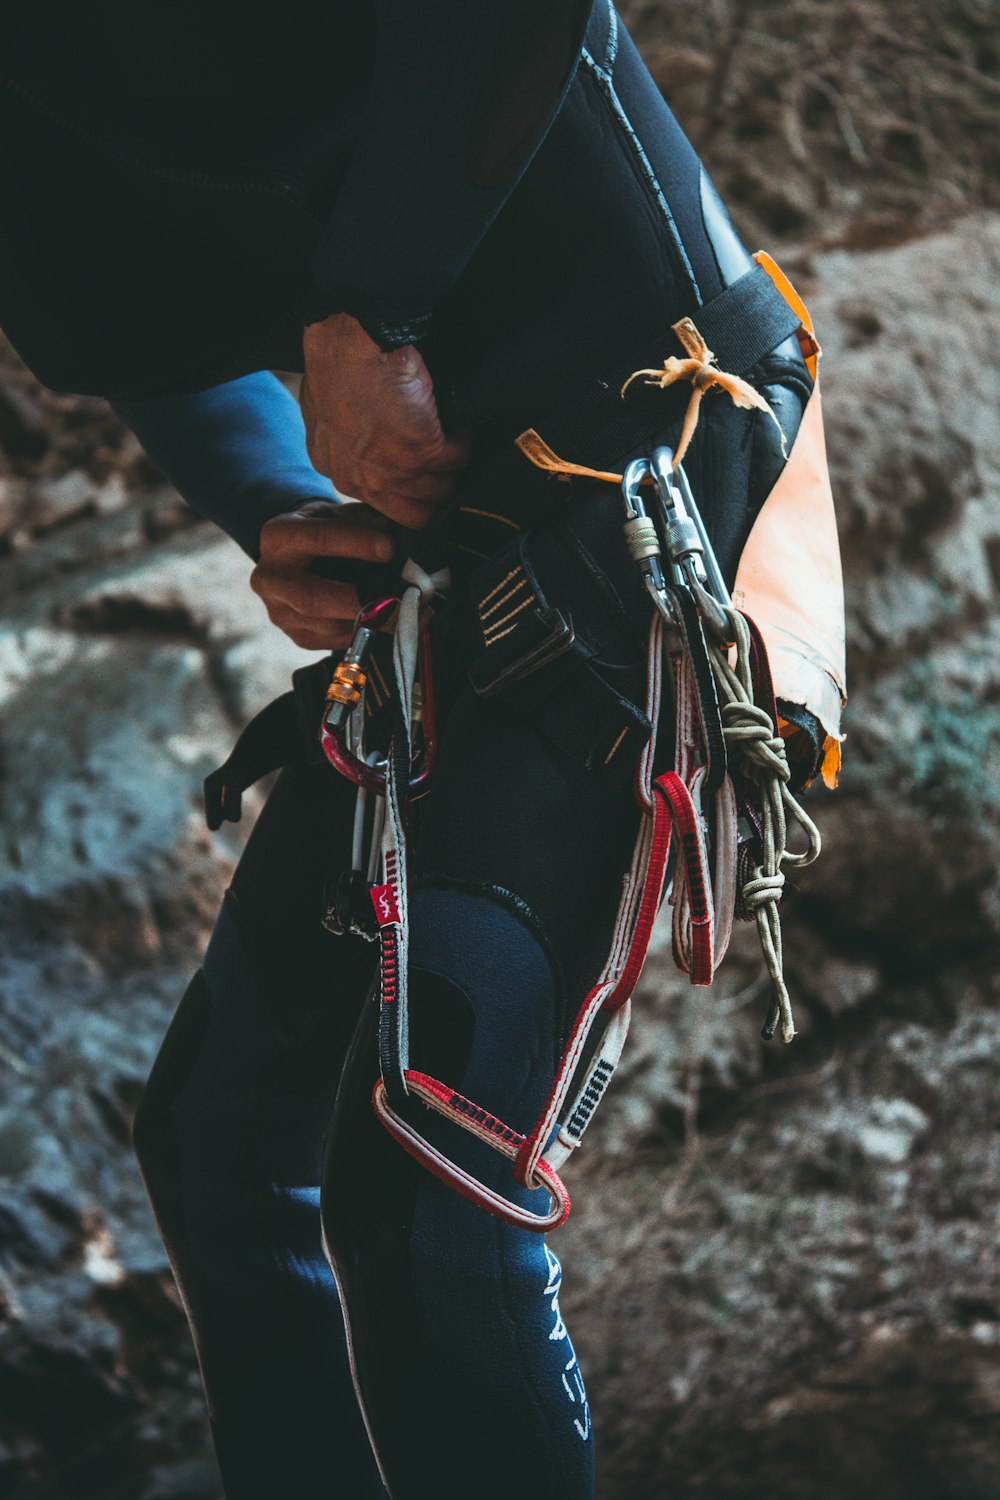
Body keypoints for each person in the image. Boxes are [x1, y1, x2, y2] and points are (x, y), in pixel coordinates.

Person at [1, 4, 834, 1497]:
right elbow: (121, 315)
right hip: (440, 551)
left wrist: (371, 308)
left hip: (649, 446)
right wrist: (273, 502)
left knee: (427, 1181)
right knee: (218, 1146)